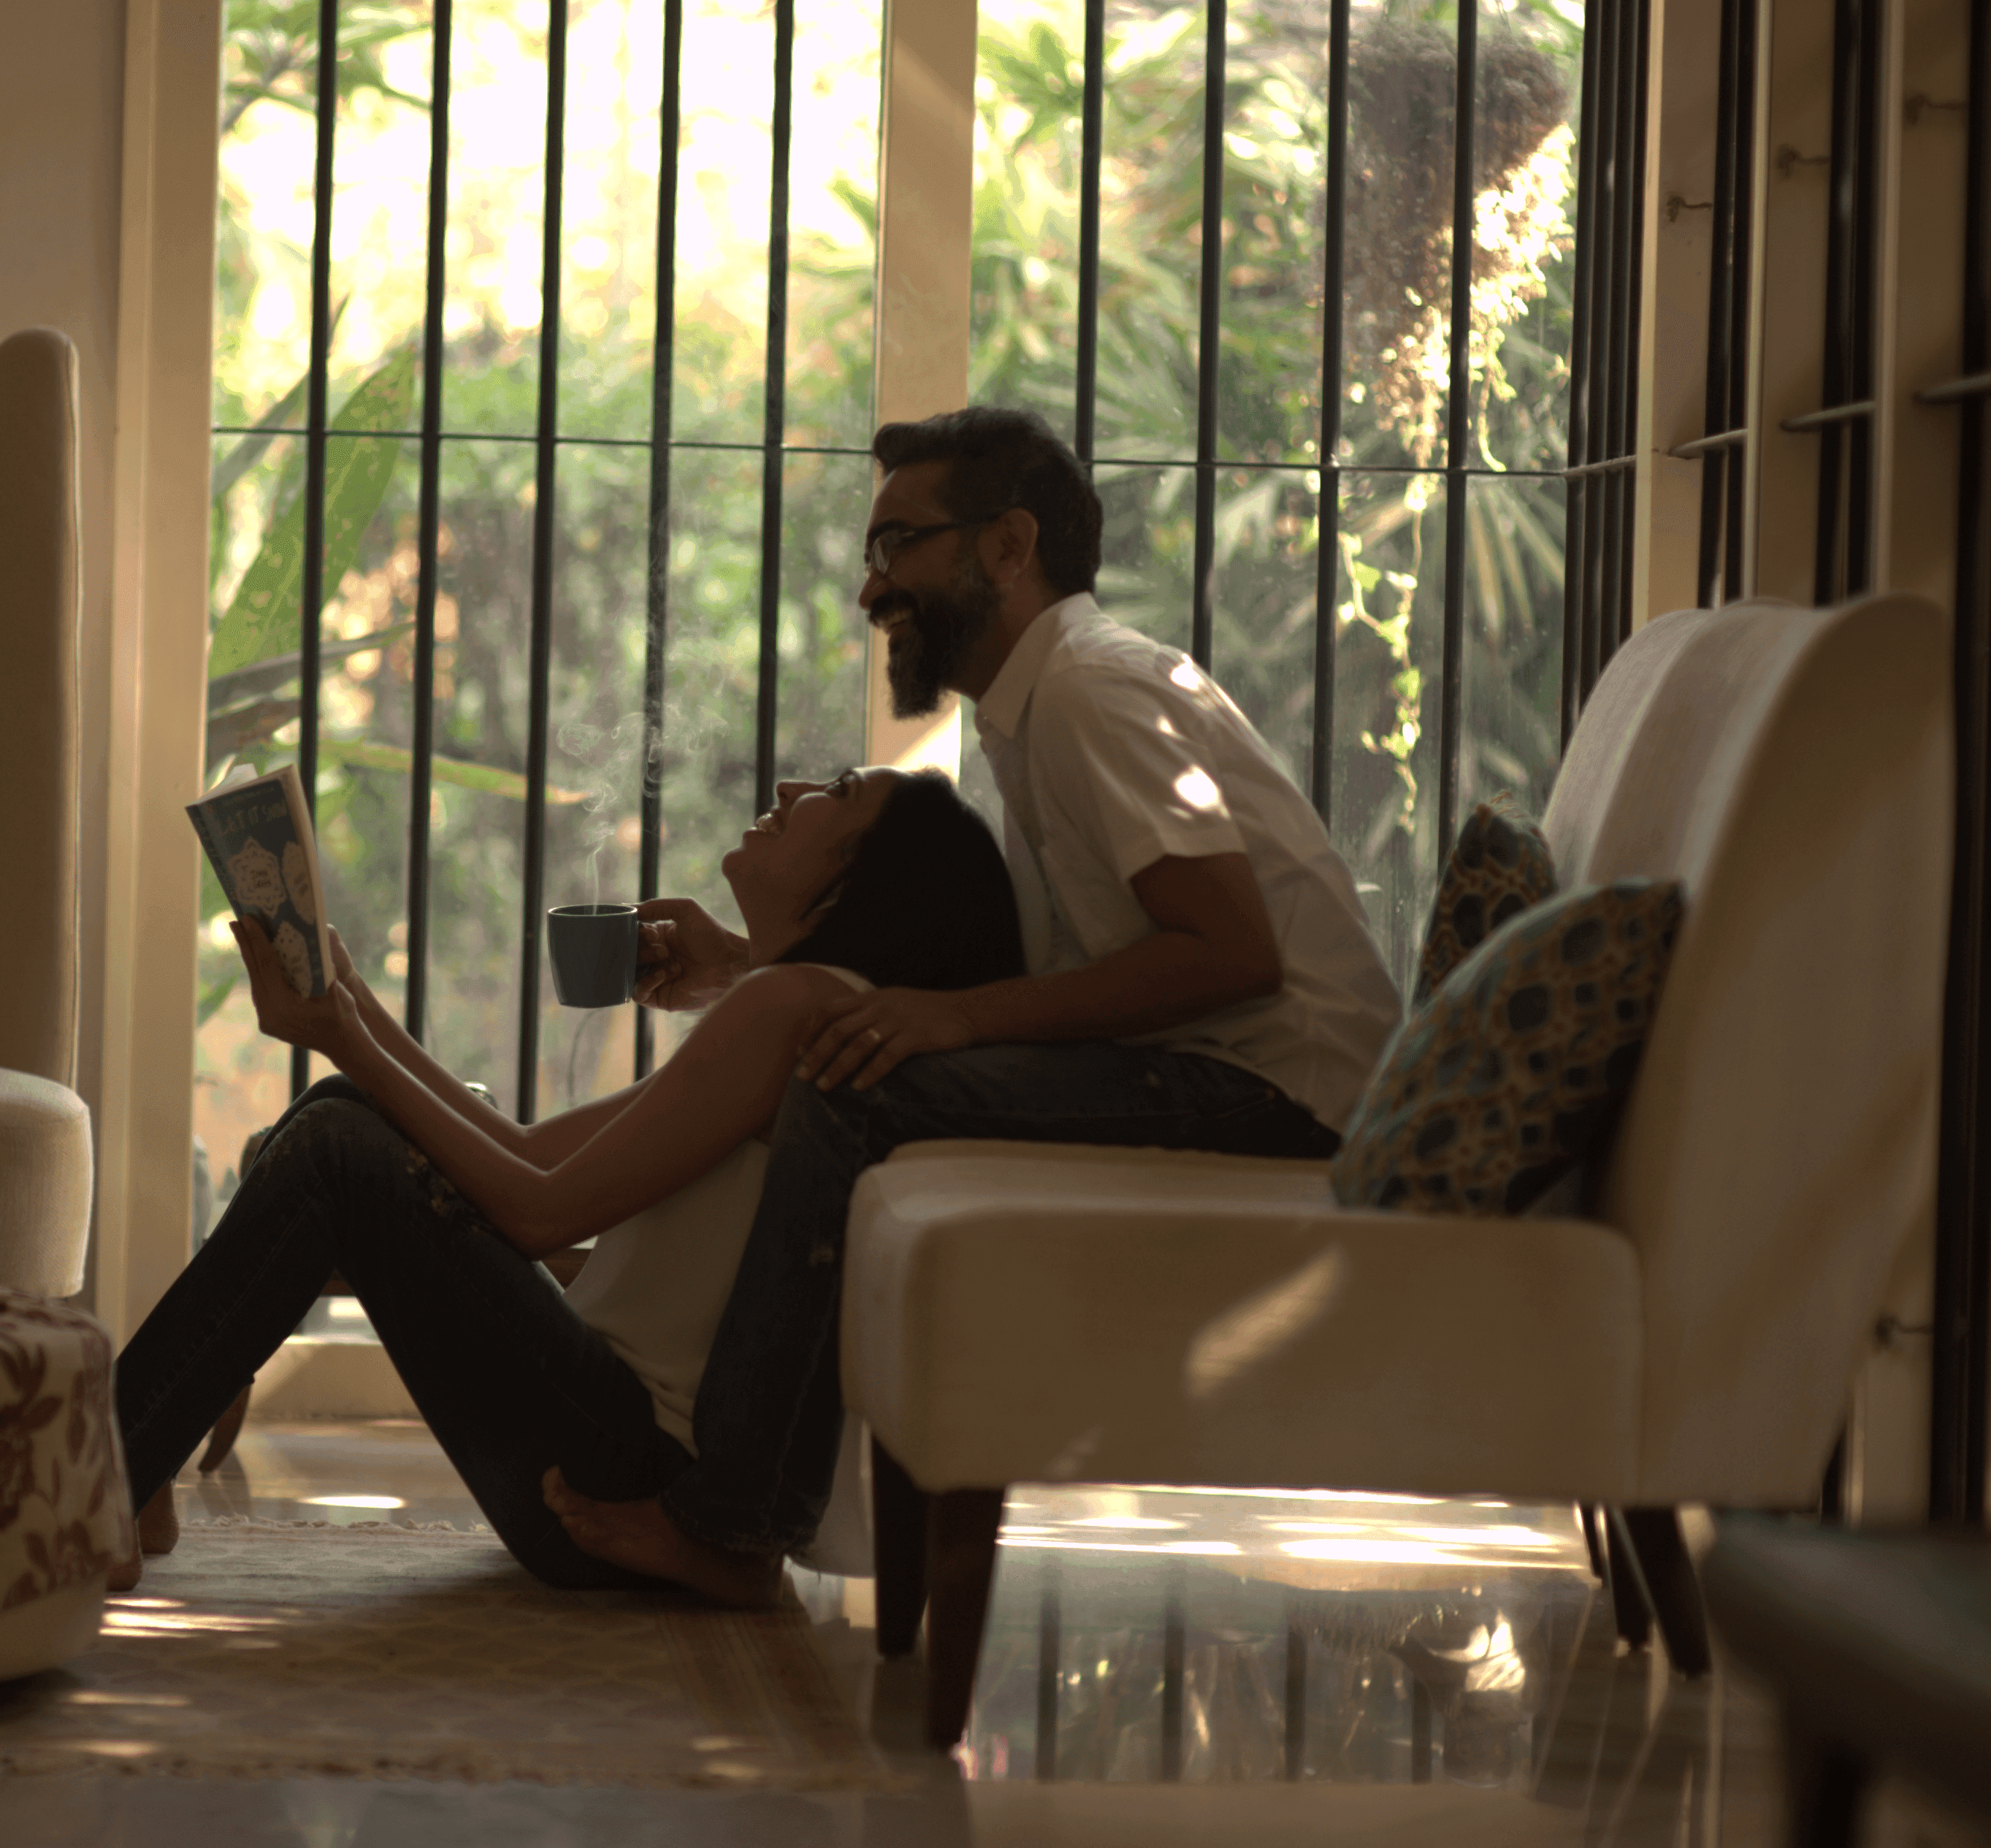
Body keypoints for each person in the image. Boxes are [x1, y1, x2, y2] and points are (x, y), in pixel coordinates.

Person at [548, 402, 1404, 1602]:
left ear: (1006, 547)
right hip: (1224, 1064)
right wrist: (747, 965)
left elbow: (1227, 954)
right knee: (849, 1053)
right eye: (871, 554)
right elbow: (1015, 969)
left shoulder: (1092, 693)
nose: (869, 590)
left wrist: (951, 1023)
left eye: (898, 545)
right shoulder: (1035, 706)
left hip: (1279, 1092)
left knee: (846, 1087)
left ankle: (734, 1515)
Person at [110, 766, 1023, 1594]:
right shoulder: (799, 1001)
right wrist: (351, 1008)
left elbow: (538, 1215)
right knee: (345, 1108)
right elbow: (536, 1152)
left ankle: (95, 1477)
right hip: (602, 1438)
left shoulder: (795, 1008)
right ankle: (131, 1470)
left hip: (619, 1468)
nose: (791, 787)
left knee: (336, 1147)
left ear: (874, 880)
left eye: (841, 789)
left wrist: (340, 1028)